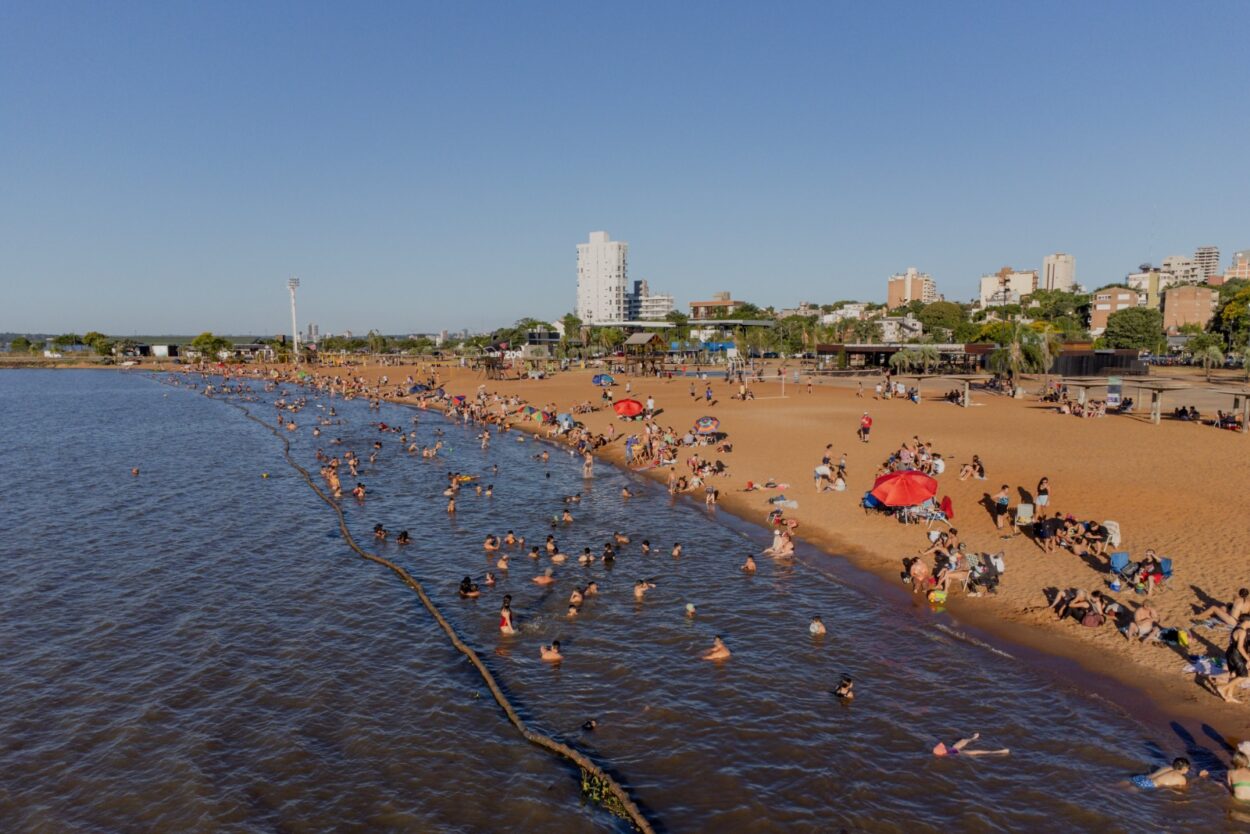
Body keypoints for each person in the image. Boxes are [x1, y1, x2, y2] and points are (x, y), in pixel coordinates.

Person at [1216, 617, 1250, 703]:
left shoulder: (1236, 628)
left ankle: (1229, 696)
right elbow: (1240, 647)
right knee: (1243, 675)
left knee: (1235, 675)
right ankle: (1223, 688)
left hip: (1230, 653)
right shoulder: (1242, 632)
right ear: (1247, 622)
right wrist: (1248, 658)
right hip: (1236, 655)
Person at [1131, 757, 1203, 790]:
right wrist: (1199, 777)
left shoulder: (1167, 767)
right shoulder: (1181, 779)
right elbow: (1186, 787)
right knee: (1131, 790)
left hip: (1141, 777)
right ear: (1184, 769)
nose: (1189, 770)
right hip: (1149, 784)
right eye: (1188, 768)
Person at [932, 733, 1009, 757]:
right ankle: (1000, 751)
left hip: (951, 750)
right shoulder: (949, 754)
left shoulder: (944, 751)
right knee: (977, 752)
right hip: (954, 753)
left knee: (963, 740)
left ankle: (973, 738)